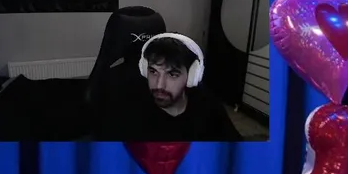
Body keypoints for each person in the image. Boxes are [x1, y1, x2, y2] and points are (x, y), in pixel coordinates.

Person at [96, 33, 240, 141]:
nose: (159, 85)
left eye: (172, 74)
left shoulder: (208, 107)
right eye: (153, 72)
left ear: (191, 76)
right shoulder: (126, 111)